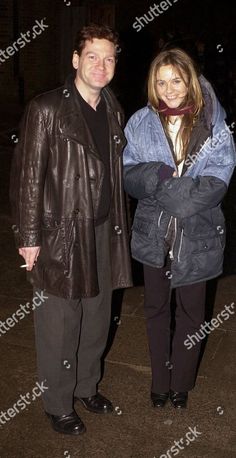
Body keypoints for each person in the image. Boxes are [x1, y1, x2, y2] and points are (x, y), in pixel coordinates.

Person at [10, 23, 132, 435]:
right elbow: (27, 177)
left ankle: (85, 386)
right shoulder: (47, 109)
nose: (101, 65)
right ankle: (57, 403)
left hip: (102, 229)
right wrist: (28, 237)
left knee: (97, 316)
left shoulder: (113, 107)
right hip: (59, 231)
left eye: (110, 57)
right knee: (60, 322)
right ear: (76, 60)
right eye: (93, 57)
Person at [123, 48, 236, 409]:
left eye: (176, 80)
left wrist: (173, 194)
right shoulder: (140, 122)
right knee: (156, 309)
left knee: (191, 313)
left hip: (197, 236)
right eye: (161, 81)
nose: (169, 89)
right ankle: (160, 381)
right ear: (152, 84)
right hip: (153, 235)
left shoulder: (213, 124)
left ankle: (181, 384)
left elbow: (218, 178)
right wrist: (156, 175)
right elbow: (128, 174)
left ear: (190, 80)